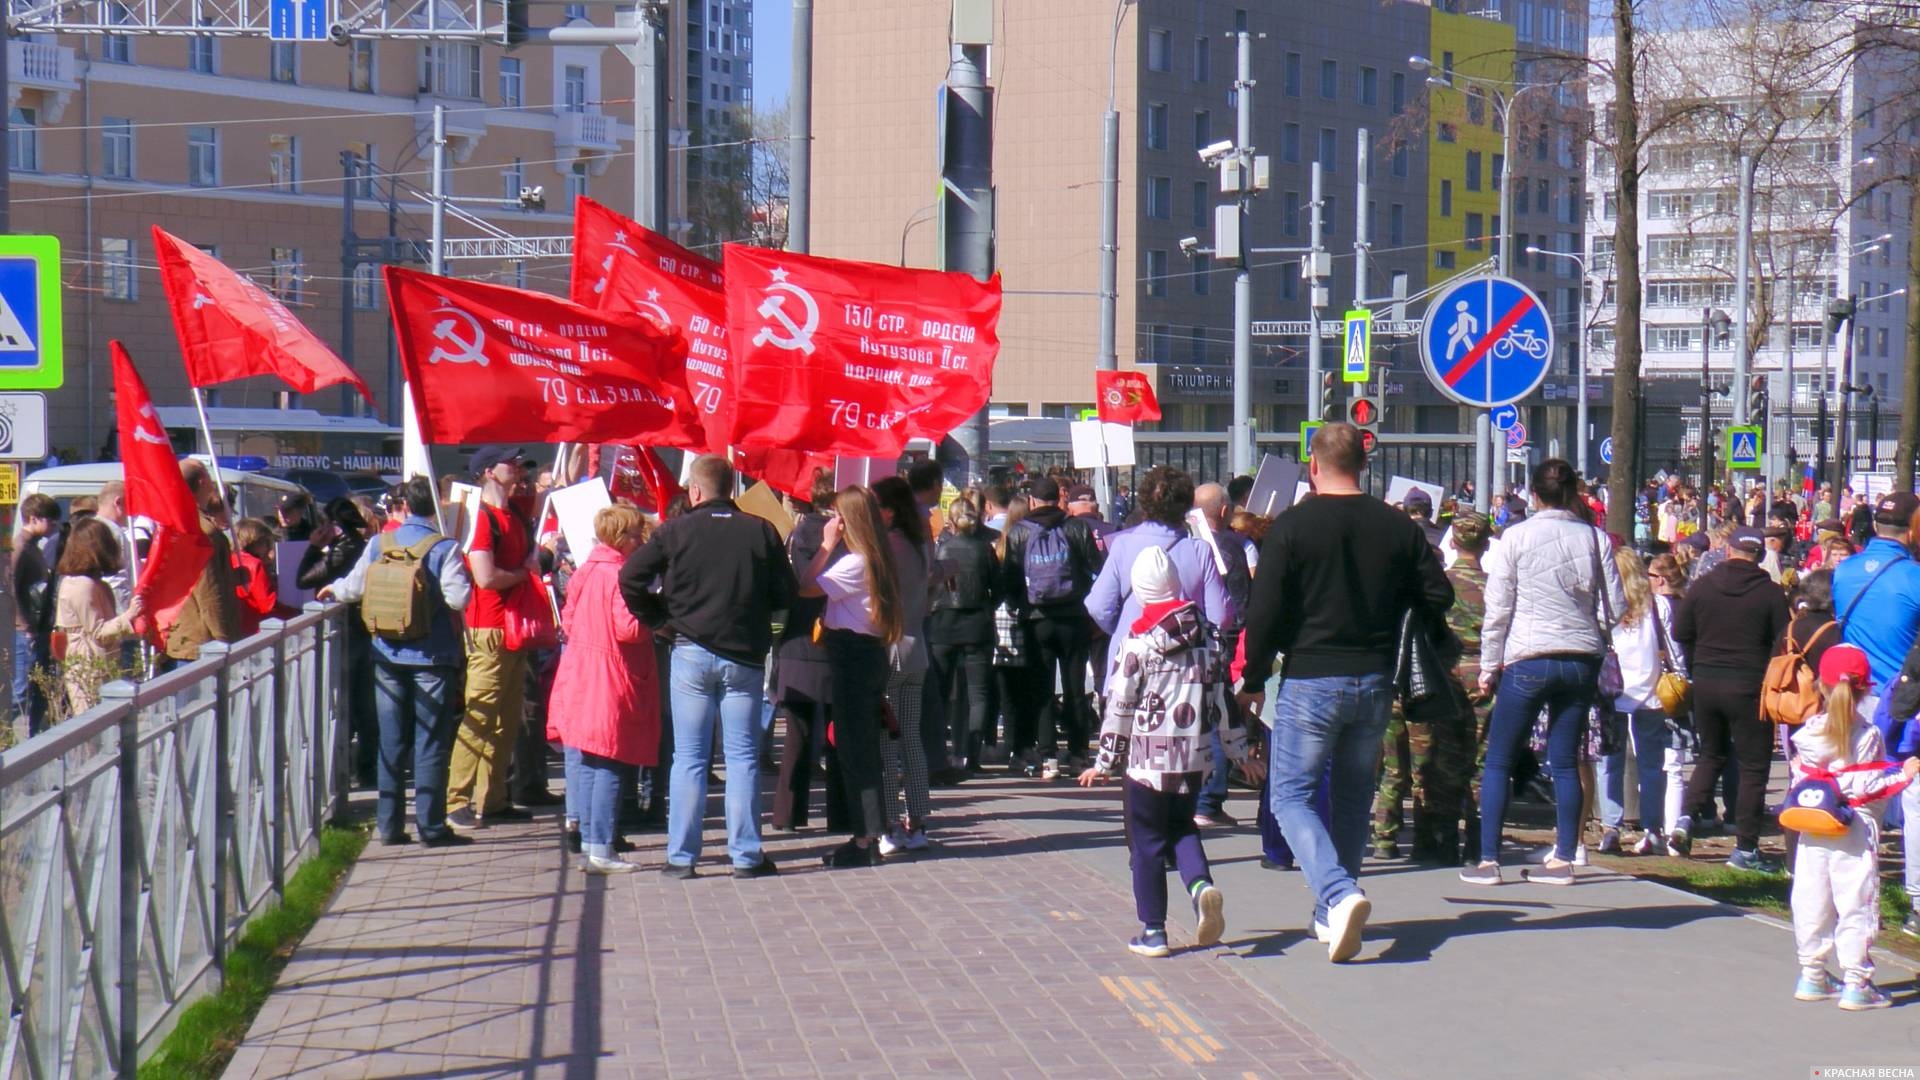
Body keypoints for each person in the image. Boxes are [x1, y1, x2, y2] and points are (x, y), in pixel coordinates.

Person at [1238, 424, 1452, 961]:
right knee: (1356, 796)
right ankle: (1328, 915)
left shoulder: (1292, 527)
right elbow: (1438, 593)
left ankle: (1338, 892)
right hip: (1376, 677)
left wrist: (1253, 676)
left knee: (1291, 797)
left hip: (1311, 675)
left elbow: (1264, 612)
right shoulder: (1396, 525)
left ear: (1314, 465)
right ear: (1363, 464)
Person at [620, 454, 794, 879]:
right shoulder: (760, 530)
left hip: (690, 651)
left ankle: (682, 857)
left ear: (694, 491)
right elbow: (785, 592)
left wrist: (660, 620)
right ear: (732, 489)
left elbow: (630, 577)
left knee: (690, 759)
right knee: (742, 758)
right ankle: (747, 855)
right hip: (743, 656)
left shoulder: (674, 531)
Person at [1078, 546, 1248, 957]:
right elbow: (1222, 698)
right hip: (1194, 758)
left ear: (1140, 591)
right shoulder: (1208, 638)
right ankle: (1200, 886)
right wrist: (1239, 750)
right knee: (1183, 826)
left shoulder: (1138, 642)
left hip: (1147, 762)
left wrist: (1104, 761)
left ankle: (1153, 930)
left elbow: (1120, 707)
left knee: (1147, 842)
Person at [1464, 459, 1625, 887]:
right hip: (1580, 658)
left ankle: (1488, 861)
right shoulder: (1595, 538)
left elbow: (1498, 608)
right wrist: (1593, 633)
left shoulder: (1514, 537)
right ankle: (1564, 858)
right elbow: (1618, 606)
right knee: (1566, 760)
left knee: (1499, 758)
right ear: (1573, 492)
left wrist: (1488, 665)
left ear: (1533, 495)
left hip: (1527, 656)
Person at [320, 476, 473, 848]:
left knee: (392, 738)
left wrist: (332, 590)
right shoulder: (444, 547)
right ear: (433, 506)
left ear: (402, 507)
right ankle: (431, 827)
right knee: (430, 740)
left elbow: (353, 588)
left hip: (386, 653)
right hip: (433, 656)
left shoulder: (379, 543)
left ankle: (389, 826)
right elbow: (459, 599)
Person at [1787, 644, 1919, 1010]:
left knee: (1812, 898)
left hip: (1813, 827)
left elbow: (1802, 776)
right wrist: (1902, 775)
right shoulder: (1868, 736)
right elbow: (1864, 785)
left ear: (1821, 687)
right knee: (1855, 902)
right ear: (1864, 690)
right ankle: (1856, 981)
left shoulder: (1809, 732)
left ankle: (1812, 974)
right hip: (1855, 830)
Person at [1671, 526, 1791, 870]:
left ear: (1728, 552)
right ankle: (1746, 848)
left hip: (1707, 681)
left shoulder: (1703, 586)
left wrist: (1699, 659)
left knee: (1710, 754)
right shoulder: (1770, 593)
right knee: (1754, 767)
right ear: (1760, 557)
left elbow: (1681, 631)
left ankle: (1685, 818)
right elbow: (1782, 642)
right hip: (1750, 685)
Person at [548, 504, 659, 874]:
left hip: (582, 673)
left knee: (592, 760)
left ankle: (590, 841)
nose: (640, 540)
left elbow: (570, 619)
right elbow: (628, 629)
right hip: (612, 676)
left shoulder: (585, 571)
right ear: (622, 538)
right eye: (635, 535)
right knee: (610, 762)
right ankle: (602, 848)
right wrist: (654, 617)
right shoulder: (620, 575)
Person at [799, 485, 903, 869]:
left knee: (856, 751)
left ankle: (865, 838)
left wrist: (826, 545)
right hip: (865, 655)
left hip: (854, 657)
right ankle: (866, 834)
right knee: (859, 748)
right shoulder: (874, 557)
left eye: (835, 516)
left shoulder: (855, 562)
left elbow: (807, 586)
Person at [1830, 492, 1920, 930]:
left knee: (1862, 798)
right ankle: (1918, 905)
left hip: (1854, 700)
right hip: (1904, 702)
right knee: (1915, 799)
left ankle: (1859, 902)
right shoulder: (1914, 577)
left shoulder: (1844, 572)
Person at [999, 475, 1103, 774]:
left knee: (1041, 688)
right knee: (1074, 688)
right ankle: (1079, 752)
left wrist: (1021, 607)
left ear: (1032, 501)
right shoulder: (1076, 528)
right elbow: (1097, 570)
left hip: (1036, 619)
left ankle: (1048, 756)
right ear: (1059, 499)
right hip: (1073, 618)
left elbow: (1009, 579)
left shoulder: (1019, 532)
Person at [1594, 549, 1680, 856]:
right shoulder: (1658, 606)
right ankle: (1653, 830)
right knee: (1651, 765)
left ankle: (1610, 827)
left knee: (1609, 763)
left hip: (1612, 692)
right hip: (1650, 692)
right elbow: (1673, 650)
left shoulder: (1604, 606)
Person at [872, 476, 939, 853]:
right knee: (911, 738)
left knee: (885, 739)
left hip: (890, 648)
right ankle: (918, 819)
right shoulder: (917, 545)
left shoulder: (888, 547)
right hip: (916, 647)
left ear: (890, 510)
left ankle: (890, 823)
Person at [771, 470, 837, 832]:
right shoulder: (841, 535)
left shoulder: (794, 534)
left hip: (796, 640)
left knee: (795, 735)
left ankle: (787, 815)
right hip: (833, 638)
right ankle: (840, 815)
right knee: (836, 732)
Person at [299, 497, 375, 785]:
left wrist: (313, 547)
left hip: (349, 633)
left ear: (334, 525)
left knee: (344, 702)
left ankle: (344, 773)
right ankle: (367, 770)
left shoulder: (344, 550)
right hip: (361, 630)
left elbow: (304, 579)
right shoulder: (363, 546)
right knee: (362, 704)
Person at [1191, 481, 1251, 828]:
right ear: (1225, 511)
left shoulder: (1185, 544)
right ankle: (1210, 799)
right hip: (1223, 641)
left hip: (1188, 642)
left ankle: (1200, 796)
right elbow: (1241, 602)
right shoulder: (1232, 545)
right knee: (1218, 715)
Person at [930, 493, 999, 775]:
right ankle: (972, 756)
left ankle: (938, 755)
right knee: (978, 693)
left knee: (940, 692)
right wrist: (986, 603)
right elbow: (1000, 583)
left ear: (951, 521)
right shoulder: (985, 549)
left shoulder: (942, 548)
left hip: (943, 623)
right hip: (977, 623)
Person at [52, 518, 144, 716]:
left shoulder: (89, 583)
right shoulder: (82, 586)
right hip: (89, 665)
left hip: (96, 662)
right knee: (93, 726)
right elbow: (98, 632)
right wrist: (128, 616)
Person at [164, 462, 240, 671]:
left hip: (183, 635)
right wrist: (224, 641)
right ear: (203, 481)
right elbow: (208, 590)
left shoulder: (173, 523)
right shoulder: (202, 531)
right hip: (201, 642)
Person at [230, 517, 284, 639]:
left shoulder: (229, 559)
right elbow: (267, 604)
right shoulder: (255, 564)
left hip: (237, 626)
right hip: (255, 628)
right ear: (258, 542)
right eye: (266, 542)